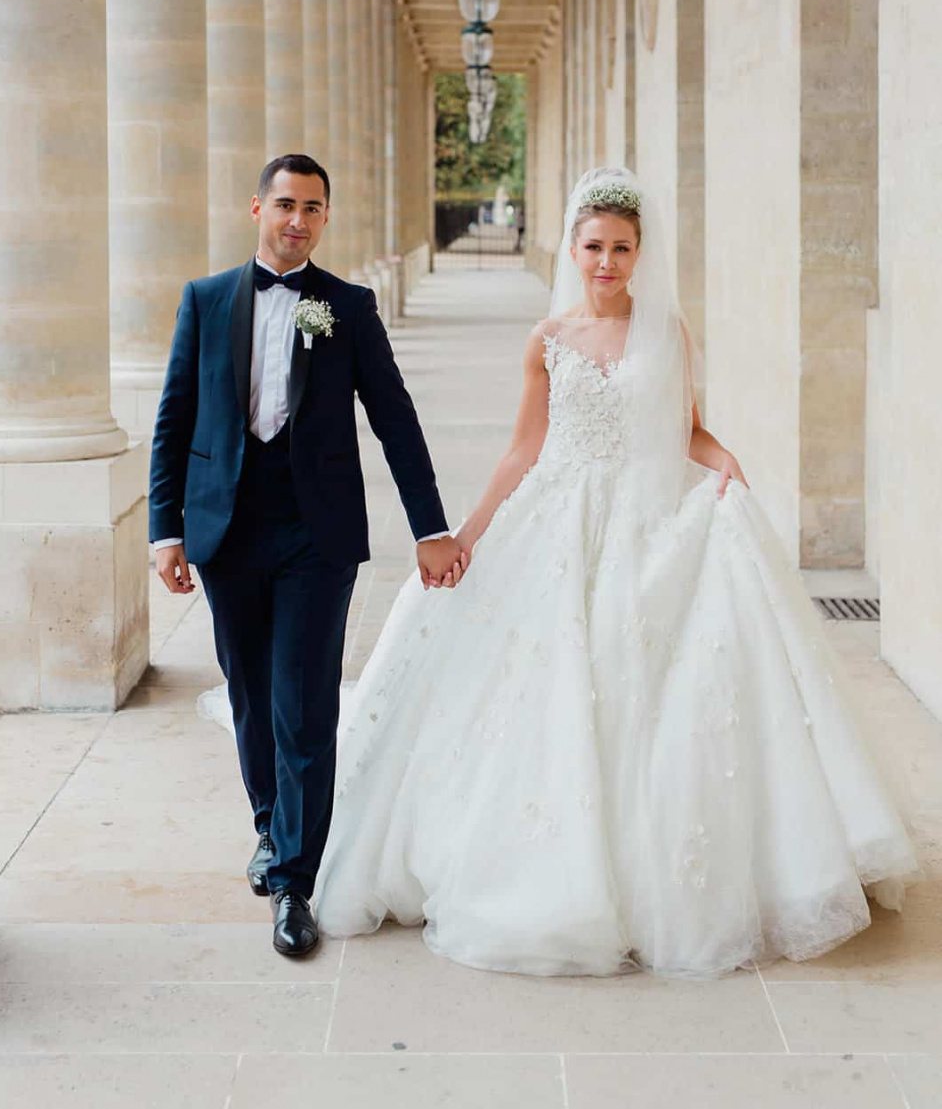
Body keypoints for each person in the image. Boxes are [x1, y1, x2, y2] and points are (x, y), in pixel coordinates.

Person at [308, 165, 919, 979]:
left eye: (621, 248)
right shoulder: (547, 339)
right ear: (573, 247)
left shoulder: (668, 333)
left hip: (642, 521)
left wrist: (724, 460)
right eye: (594, 246)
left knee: (645, 682)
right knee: (546, 684)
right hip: (557, 520)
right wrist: (466, 536)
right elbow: (523, 449)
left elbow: (686, 429)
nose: (607, 262)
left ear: (639, 252)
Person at [150, 154, 467, 959]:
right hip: (226, 528)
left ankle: (295, 880)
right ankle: (271, 826)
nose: (298, 219)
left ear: (326, 217)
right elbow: (174, 418)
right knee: (251, 693)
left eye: (313, 207)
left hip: (315, 534)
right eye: (286, 203)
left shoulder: (347, 307)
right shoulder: (205, 299)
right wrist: (165, 530)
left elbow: (395, 418)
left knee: (304, 701)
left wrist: (430, 526)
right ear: (257, 207)